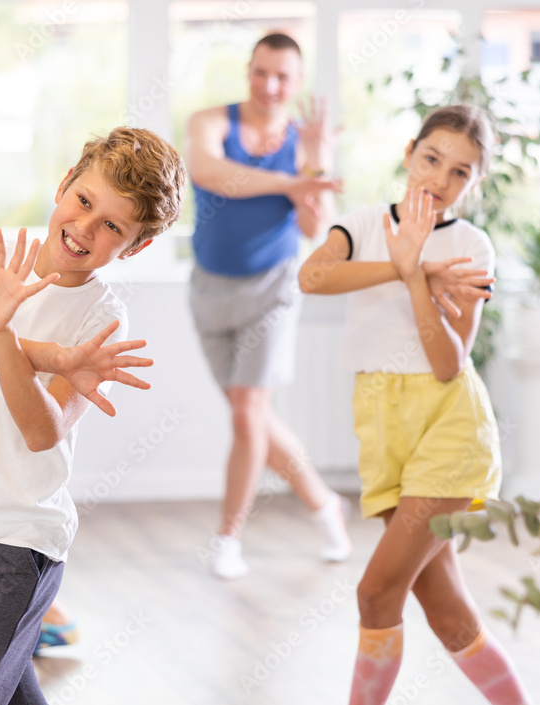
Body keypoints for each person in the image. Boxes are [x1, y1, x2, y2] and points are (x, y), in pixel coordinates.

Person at [0, 127, 186, 704]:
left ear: (134, 247)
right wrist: (48, 355)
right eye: (84, 202)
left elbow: (41, 430)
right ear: (64, 186)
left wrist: (2, 334)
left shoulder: (102, 321)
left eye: (112, 226)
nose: (84, 228)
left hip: (19, 540)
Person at [299, 105, 532, 705]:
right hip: (381, 426)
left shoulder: (471, 247)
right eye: (432, 159)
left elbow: (450, 363)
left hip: (449, 426)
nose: (439, 178)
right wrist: (404, 264)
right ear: (409, 153)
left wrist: (415, 279)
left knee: (376, 593)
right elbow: (313, 277)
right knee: (448, 612)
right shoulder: (362, 224)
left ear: (474, 186)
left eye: (460, 172)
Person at [184, 32, 352, 579]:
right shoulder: (211, 122)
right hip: (208, 291)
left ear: (297, 83)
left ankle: (228, 538)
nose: (270, 85)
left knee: (246, 414)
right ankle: (326, 505)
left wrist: (318, 158)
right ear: (248, 71)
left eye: (282, 77)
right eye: (261, 73)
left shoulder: (304, 146)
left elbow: (314, 225)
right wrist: (293, 180)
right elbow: (213, 174)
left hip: (272, 290)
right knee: (254, 418)